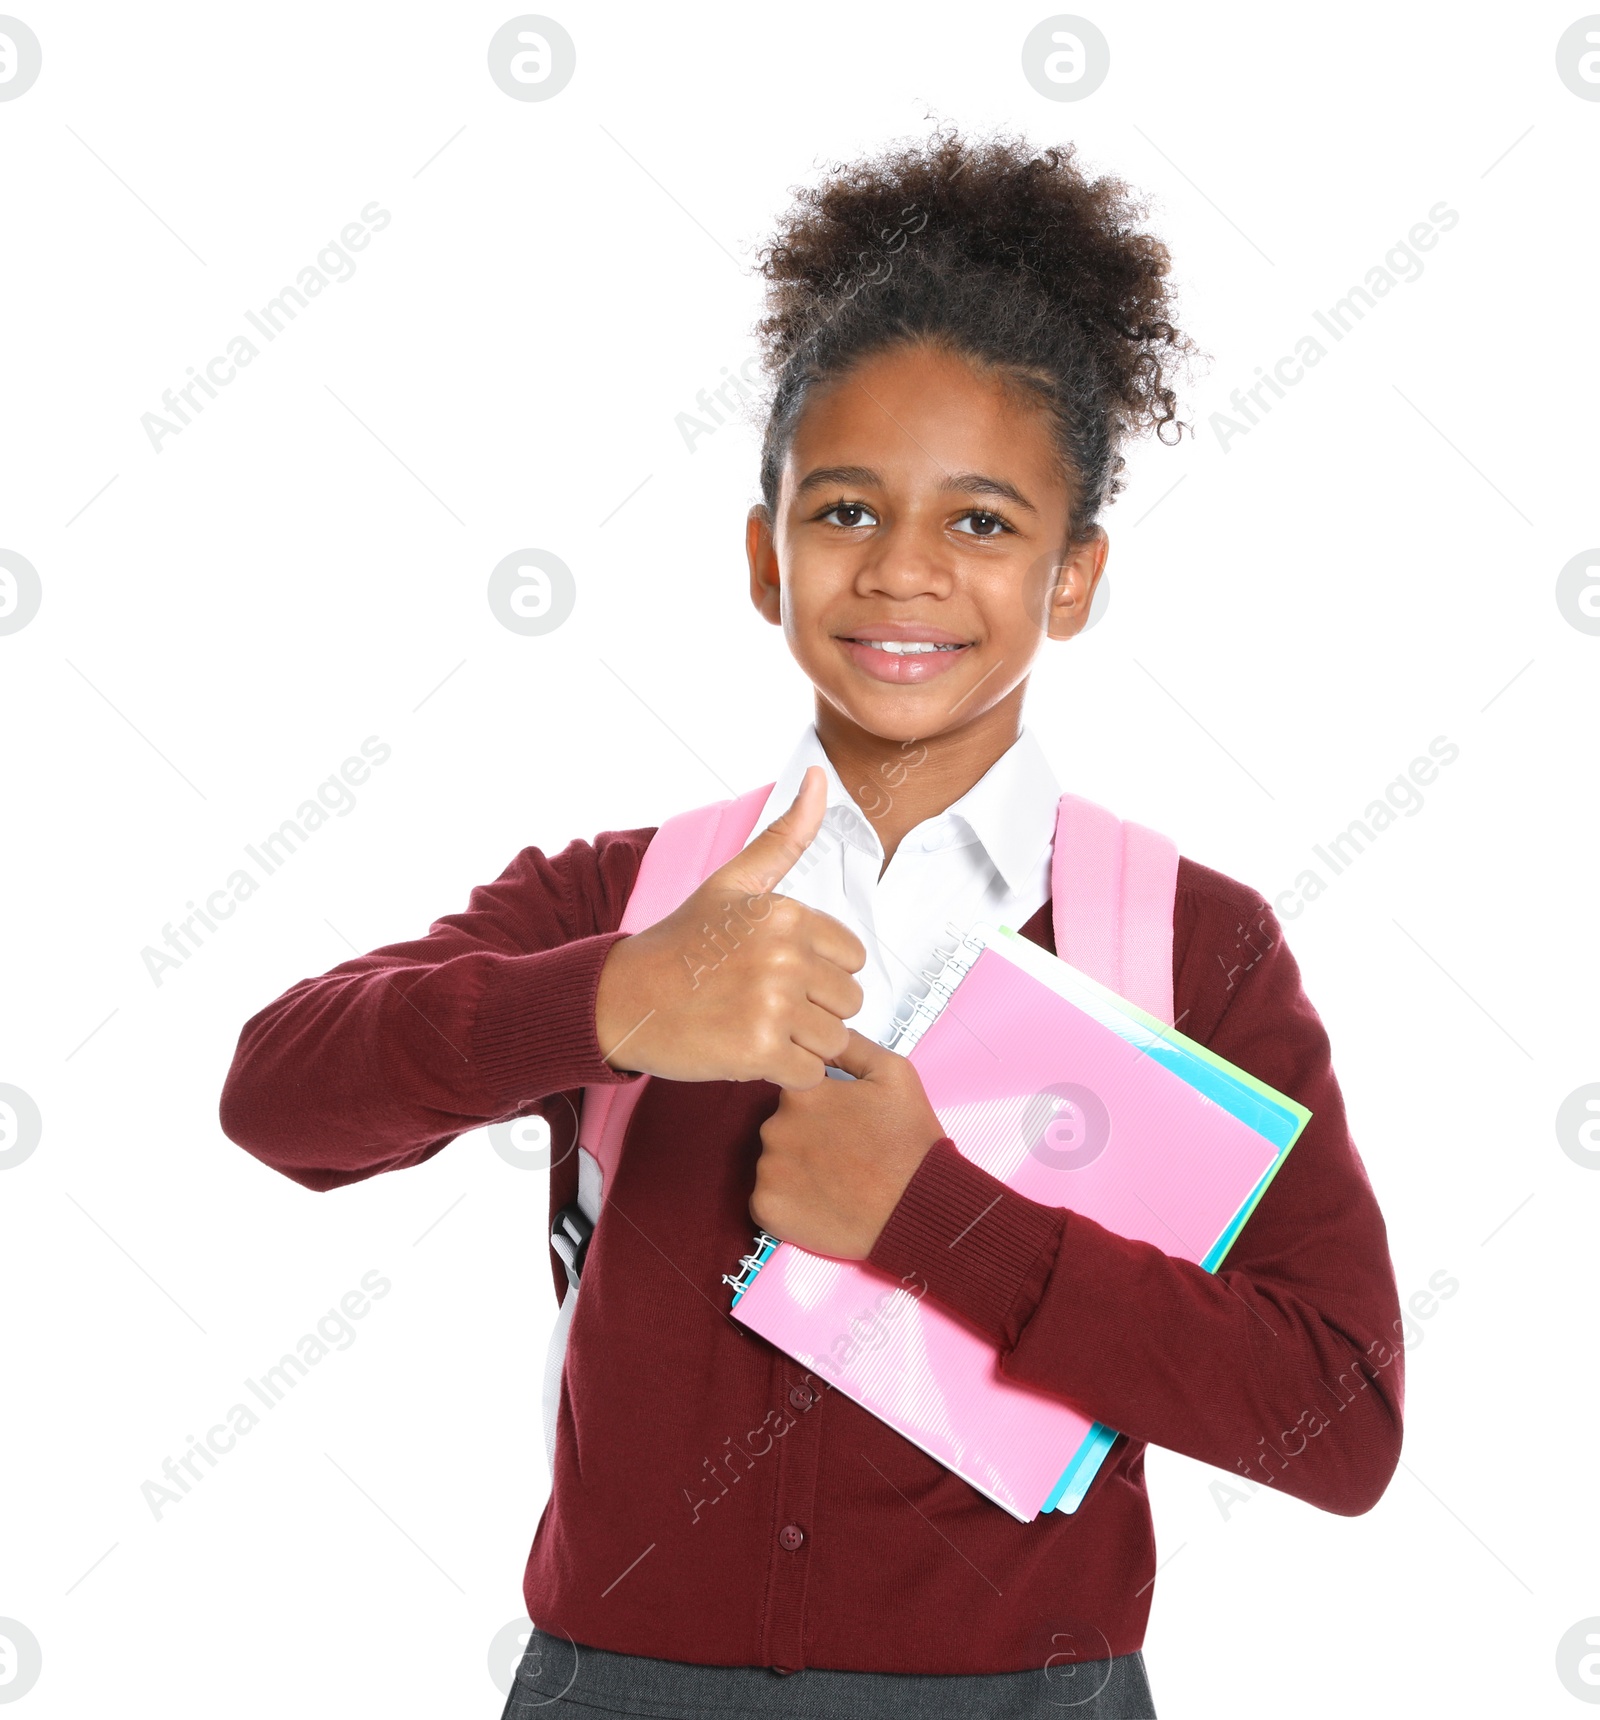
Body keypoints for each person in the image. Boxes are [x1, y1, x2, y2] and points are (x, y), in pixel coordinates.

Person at [219, 126, 1403, 1719]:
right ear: (766, 553)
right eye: (844, 511)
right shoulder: (627, 902)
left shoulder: (1195, 945)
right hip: (620, 1689)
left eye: (983, 523)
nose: (903, 571)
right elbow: (278, 1100)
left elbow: (1335, 1421)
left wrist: (937, 1221)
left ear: (1074, 575)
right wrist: (611, 1007)